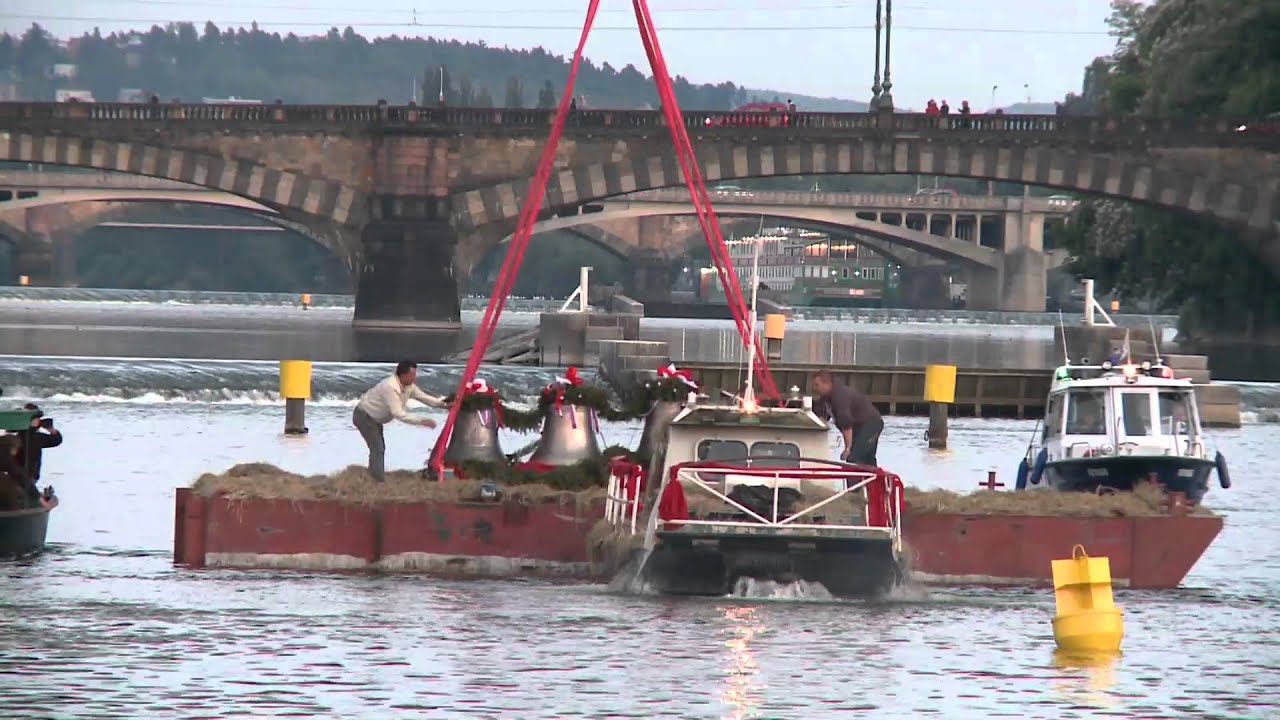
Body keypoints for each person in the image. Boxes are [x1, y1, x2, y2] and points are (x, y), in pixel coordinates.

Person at [353, 361, 443, 482]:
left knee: (378, 448)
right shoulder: (390, 387)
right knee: (378, 448)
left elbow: (425, 398)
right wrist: (422, 421)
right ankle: (377, 482)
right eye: (412, 375)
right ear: (402, 375)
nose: (414, 377)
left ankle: (374, 478)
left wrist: (445, 404)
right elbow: (398, 414)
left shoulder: (409, 386)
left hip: (374, 418)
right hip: (364, 416)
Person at [810, 370, 884, 467]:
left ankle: (857, 482)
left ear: (827, 384)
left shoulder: (840, 397)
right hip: (858, 427)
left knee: (853, 458)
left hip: (871, 425)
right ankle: (872, 480)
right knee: (867, 460)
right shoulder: (826, 398)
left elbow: (846, 425)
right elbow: (821, 417)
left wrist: (847, 448)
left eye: (817, 385)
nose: (814, 388)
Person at [16, 403, 62, 484]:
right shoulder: (34, 437)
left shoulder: (18, 435)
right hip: (29, 476)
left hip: (17, 474)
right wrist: (50, 428)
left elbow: (56, 440)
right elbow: (56, 440)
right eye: (37, 418)